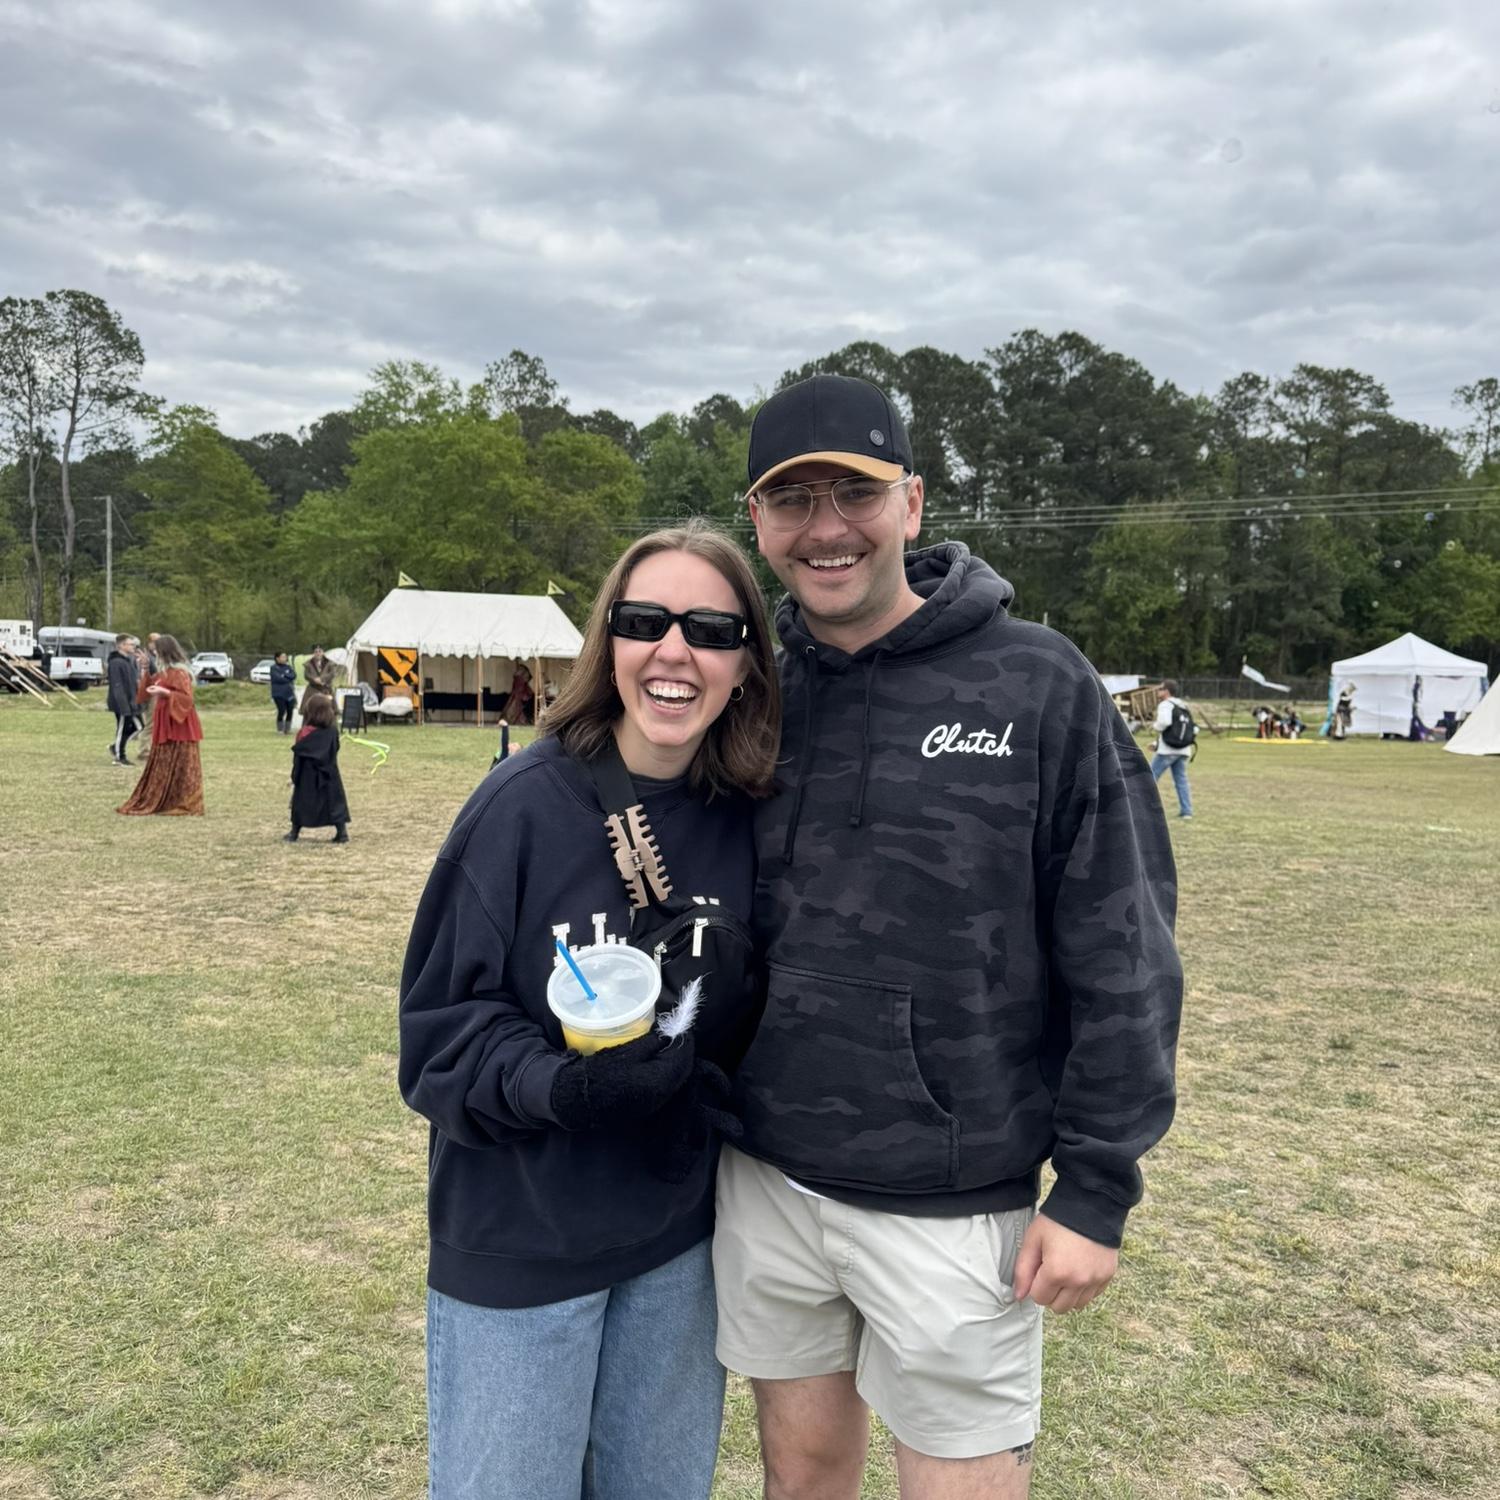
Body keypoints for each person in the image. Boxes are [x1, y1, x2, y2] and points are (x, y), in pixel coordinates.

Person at [715, 374, 1182, 1499]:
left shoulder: (1038, 680)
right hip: (765, 1177)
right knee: (803, 1476)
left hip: (952, 1195)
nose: (827, 527)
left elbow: (1124, 945)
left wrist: (1098, 1187)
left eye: (857, 493)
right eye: (794, 499)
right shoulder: (749, 685)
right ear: (760, 524)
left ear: (913, 504)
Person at [398, 521, 781, 1500]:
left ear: (745, 663)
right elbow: (439, 1039)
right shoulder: (521, 806)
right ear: (606, 641)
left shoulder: (746, 816)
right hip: (521, 1245)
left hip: (673, 1251)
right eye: (644, 619)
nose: (674, 650)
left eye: (710, 628)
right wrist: (562, 1088)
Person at [117, 635, 204, 816]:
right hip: (165, 719)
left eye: (156, 651)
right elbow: (147, 687)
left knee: (181, 761)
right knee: (163, 759)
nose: (154, 654)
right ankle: (164, 796)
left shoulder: (179, 672)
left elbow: (186, 699)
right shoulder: (165, 671)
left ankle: (182, 800)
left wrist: (164, 692)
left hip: (179, 724)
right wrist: (145, 668)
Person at [286, 693, 351, 843]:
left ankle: (294, 833)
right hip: (329, 774)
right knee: (334, 803)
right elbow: (335, 750)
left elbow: (299, 757)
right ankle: (342, 833)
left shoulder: (304, 734)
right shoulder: (333, 732)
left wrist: (295, 776)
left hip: (307, 778)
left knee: (301, 803)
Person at [1150, 681, 1194, 819]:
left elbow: (1165, 723)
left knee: (1149, 778)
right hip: (1183, 749)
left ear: (1167, 691)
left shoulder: (1165, 705)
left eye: (1160, 689)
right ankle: (1187, 811)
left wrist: (1154, 726)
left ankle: (1142, 808)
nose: (1158, 691)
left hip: (1168, 750)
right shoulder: (1182, 704)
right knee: (1181, 780)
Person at [106, 633, 141, 766]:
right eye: (130, 644)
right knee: (123, 727)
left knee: (139, 726)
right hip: (122, 703)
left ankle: (116, 746)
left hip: (132, 701)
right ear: (121, 645)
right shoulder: (116, 663)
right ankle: (120, 757)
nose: (133, 646)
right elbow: (117, 685)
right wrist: (123, 705)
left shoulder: (128, 661)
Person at [270, 651, 297, 734]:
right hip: (278, 693)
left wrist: (284, 675)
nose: (285, 659)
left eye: (285, 657)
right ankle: (280, 729)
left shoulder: (288, 667)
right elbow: (278, 678)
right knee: (282, 710)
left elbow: (293, 676)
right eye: (282, 657)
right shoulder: (274, 668)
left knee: (290, 710)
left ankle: (287, 729)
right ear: (277, 658)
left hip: (289, 693)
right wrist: (286, 677)